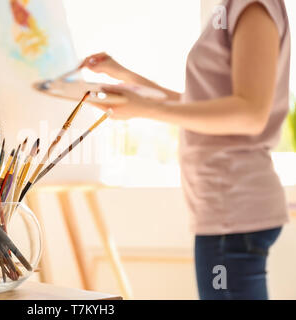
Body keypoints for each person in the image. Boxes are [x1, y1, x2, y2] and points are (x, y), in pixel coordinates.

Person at [81, 0, 290, 300]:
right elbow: (200, 104)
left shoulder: (253, 6)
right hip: (226, 214)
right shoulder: (233, 9)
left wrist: (148, 108)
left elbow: (250, 113)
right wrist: (128, 79)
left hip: (232, 213)